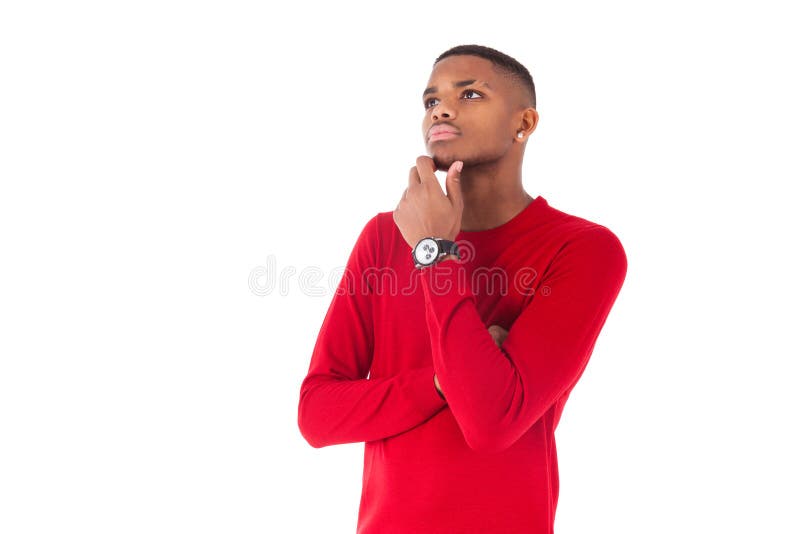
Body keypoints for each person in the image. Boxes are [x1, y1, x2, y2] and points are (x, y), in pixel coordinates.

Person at [297, 44, 628, 534]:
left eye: (470, 93)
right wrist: (439, 382)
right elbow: (317, 414)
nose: (442, 109)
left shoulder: (583, 249)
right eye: (431, 101)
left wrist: (435, 251)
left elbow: (492, 423)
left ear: (525, 123)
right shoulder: (384, 238)